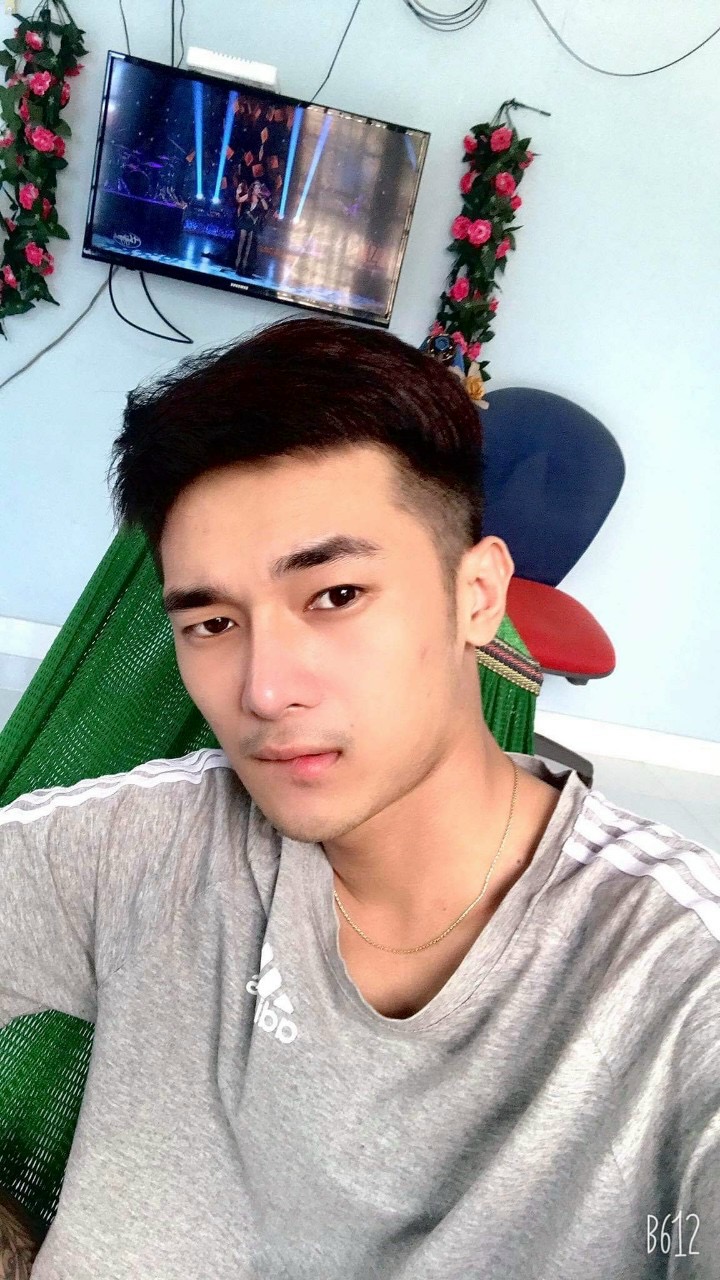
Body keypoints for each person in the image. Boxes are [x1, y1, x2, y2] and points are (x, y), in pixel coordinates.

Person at [0, 317, 718, 1279]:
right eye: (211, 622)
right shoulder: (140, 850)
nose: (263, 691)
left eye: (335, 595)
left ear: (477, 595)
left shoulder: (676, 980)